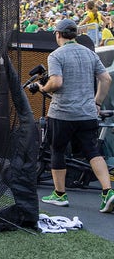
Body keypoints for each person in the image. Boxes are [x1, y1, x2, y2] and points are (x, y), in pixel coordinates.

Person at [32, 19, 114, 212]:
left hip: (62, 113)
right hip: (86, 113)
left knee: (58, 151)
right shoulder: (89, 54)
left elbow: (57, 83)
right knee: (93, 151)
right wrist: (97, 103)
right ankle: (108, 192)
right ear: (75, 34)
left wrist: (43, 87)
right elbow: (105, 78)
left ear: (58, 34)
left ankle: (60, 194)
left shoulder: (56, 55)